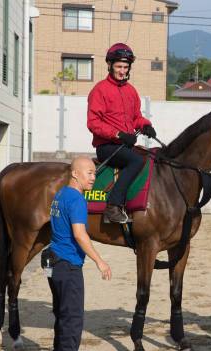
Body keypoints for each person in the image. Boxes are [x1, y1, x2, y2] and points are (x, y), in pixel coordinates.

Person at [48, 156, 113, 351]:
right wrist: (99, 261)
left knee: (62, 313)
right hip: (67, 265)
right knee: (72, 317)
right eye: (89, 173)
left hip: (53, 262)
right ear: (75, 173)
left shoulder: (61, 194)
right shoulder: (76, 200)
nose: (93, 178)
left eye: (95, 173)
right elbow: (79, 234)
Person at [87, 43, 157, 224]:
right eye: (118, 66)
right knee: (136, 161)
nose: (122, 71)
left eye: (125, 67)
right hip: (107, 146)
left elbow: (136, 117)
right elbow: (93, 123)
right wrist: (119, 135)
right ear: (110, 66)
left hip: (125, 146)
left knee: (150, 156)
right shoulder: (100, 90)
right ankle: (113, 206)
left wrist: (146, 125)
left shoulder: (131, 91)